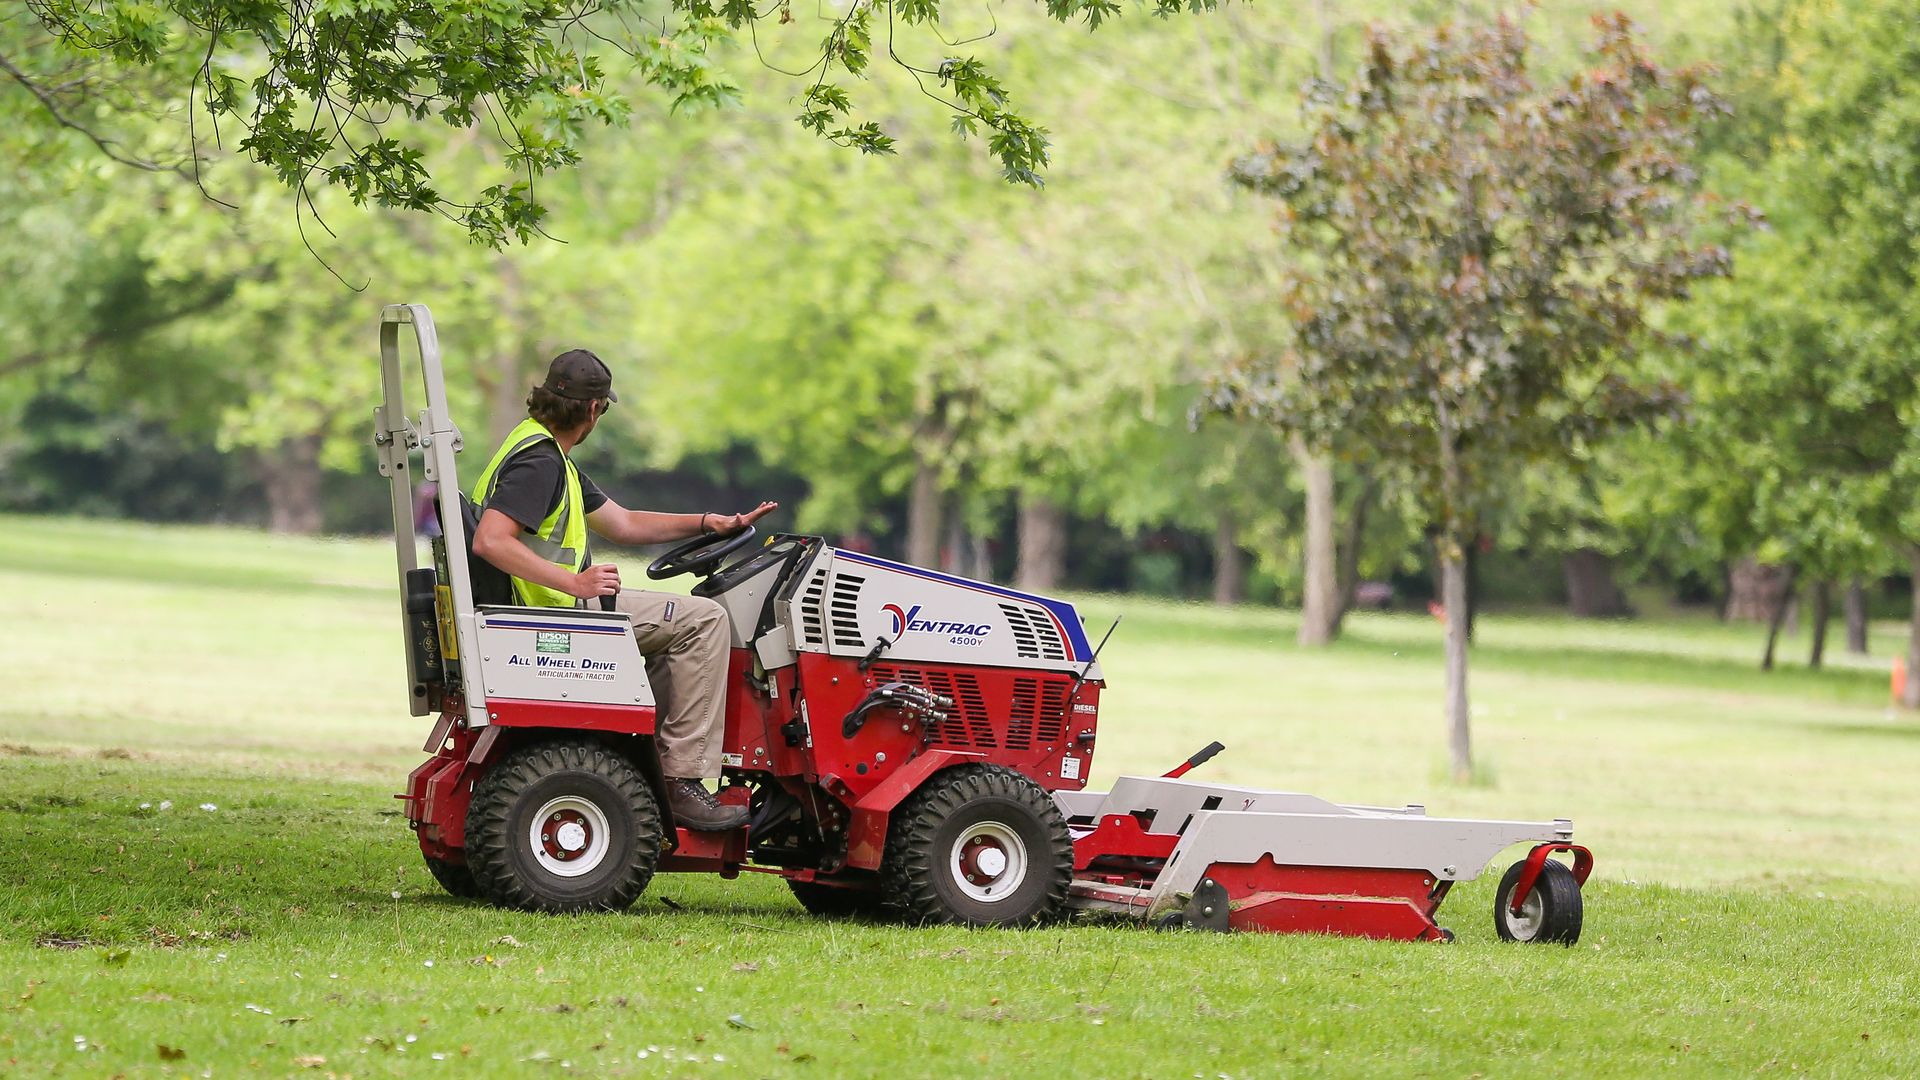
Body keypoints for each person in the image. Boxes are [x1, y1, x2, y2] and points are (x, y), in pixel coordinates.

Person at [469, 348, 776, 831]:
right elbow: (489, 540)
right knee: (705, 621)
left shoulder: (539, 449)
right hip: (551, 611)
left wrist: (707, 524)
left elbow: (626, 523)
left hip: (539, 606)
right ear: (594, 409)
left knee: (673, 629)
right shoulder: (542, 464)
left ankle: (642, 763)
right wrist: (575, 581)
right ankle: (682, 780)